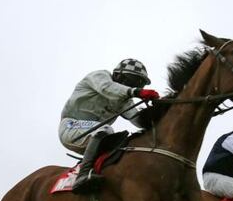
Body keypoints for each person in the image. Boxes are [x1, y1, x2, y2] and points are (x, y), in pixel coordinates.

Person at [59, 59, 160, 194]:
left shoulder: (124, 100)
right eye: (133, 81)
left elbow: (139, 120)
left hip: (93, 133)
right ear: (119, 76)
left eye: (138, 84)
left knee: (120, 140)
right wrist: (136, 92)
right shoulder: (100, 76)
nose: (136, 86)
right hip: (70, 126)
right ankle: (82, 175)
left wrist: (160, 110)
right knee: (105, 129)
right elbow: (107, 88)